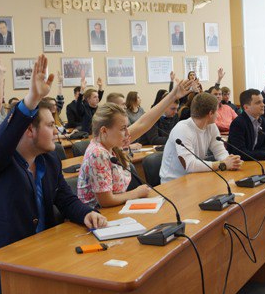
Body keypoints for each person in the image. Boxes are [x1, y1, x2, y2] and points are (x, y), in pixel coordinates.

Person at [0, 55, 107, 294]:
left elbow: (65, 198)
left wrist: (86, 213)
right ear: (29, 129)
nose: (56, 132)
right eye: (49, 125)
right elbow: (1, 144)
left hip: (36, 254)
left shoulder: (48, 159)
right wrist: (31, 100)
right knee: (64, 293)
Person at [77, 79, 195, 207]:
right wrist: (136, 193)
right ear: (104, 130)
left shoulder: (111, 141)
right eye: (123, 128)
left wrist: (173, 96)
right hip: (99, 213)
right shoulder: (98, 153)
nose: (127, 133)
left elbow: (143, 123)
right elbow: (106, 201)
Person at [159, 93, 242, 184]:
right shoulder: (182, 129)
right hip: (173, 183)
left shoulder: (211, 126)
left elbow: (220, 152)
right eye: (217, 111)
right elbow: (190, 165)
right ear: (210, 113)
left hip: (195, 177)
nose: (218, 115)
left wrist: (231, 161)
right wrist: (223, 164)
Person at [227, 89, 265, 161]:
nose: (263, 105)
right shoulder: (238, 123)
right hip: (241, 164)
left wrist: (259, 154)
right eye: (258, 103)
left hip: (257, 161)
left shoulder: (263, 121)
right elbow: (240, 153)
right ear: (246, 107)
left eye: (262, 101)